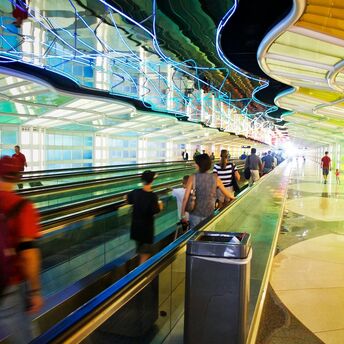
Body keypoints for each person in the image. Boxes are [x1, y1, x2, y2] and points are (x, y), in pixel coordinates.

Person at [0, 156, 43, 343]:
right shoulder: (23, 207)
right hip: (10, 284)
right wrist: (35, 291)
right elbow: (29, 254)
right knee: (24, 337)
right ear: (17, 178)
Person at [181, 154, 235, 229]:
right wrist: (234, 198)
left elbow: (185, 198)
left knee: (194, 235)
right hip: (209, 213)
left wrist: (183, 215)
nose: (194, 165)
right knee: (208, 234)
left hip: (195, 214)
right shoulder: (215, 178)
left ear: (200, 165)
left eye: (196, 163)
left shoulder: (193, 177)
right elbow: (227, 193)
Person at [127, 170, 163, 264]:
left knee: (141, 252)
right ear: (152, 181)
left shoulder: (135, 192)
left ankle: (140, 273)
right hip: (146, 230)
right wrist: (160, 205)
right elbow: (155, 211)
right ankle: (141, 276)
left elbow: (127, 199)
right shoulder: (152, 196)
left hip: (135, 228)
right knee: (145, 254)